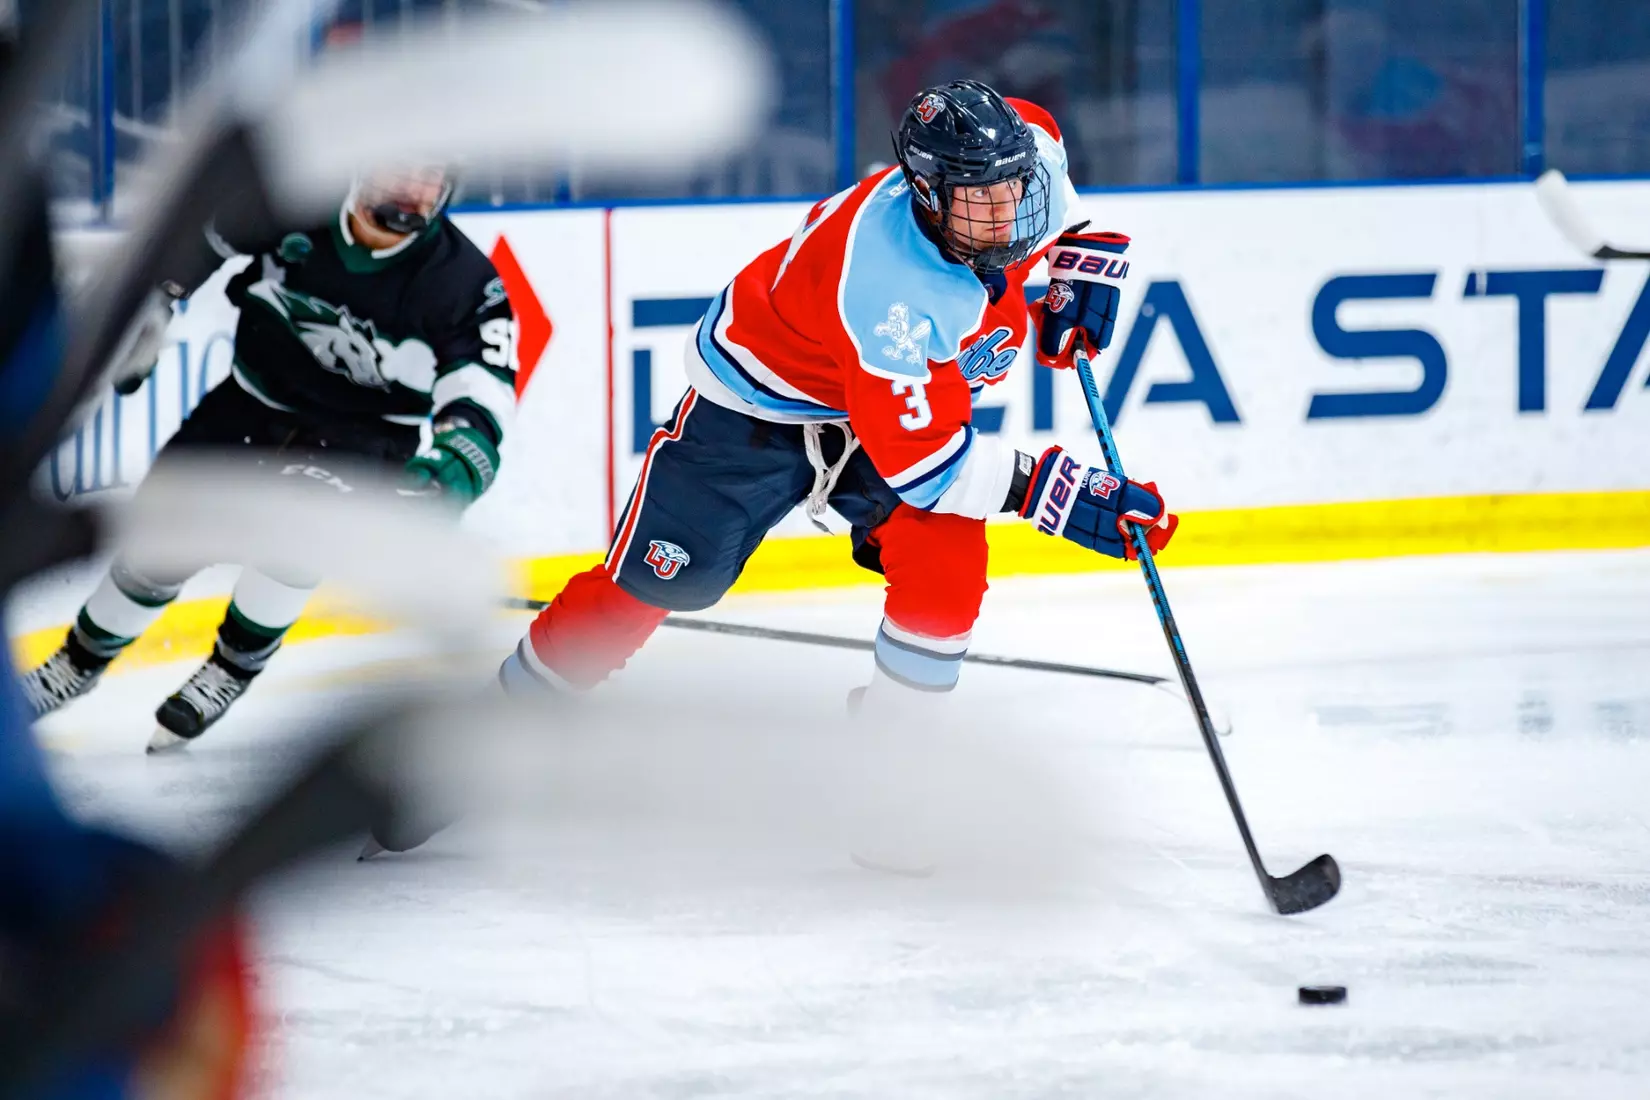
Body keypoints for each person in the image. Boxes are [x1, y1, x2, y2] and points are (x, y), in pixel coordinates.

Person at [500, 80, 1175, 709]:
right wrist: (1058, 494)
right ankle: (496, 722)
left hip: (877, 400)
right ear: (929, 194)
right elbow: (929, 468)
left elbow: (1059, 198)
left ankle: (891, 767)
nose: (1007, 215)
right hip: (757, 406)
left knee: (946, 567)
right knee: (649, 586)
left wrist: (1084, 256)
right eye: (979, 198)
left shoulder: (1026, 149)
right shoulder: (889, 292)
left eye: (1014, 187)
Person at [22, 165, 518, 751]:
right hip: (251, 404)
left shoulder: (465, 285)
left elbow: (481, 403)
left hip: (366, 437)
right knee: (160, 542)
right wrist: (154, 305)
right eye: (399, 174)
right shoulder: (291, 202)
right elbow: (189, 243)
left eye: (429, 181)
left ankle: (233, 667)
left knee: (294, 538)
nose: (413, 192)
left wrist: (445, 478)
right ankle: (78, 663)